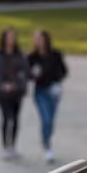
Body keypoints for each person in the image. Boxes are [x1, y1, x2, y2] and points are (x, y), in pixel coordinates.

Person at [0, 27, 29, 159]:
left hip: (16, 92)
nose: (11, 40)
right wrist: (0, 85)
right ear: (4, 39)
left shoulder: (20, 56)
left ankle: (13, 146)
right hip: (3, 93)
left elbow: (25, 72)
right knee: (6, 118)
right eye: (8, 37)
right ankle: (5, 146)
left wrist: (17, 85)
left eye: (13, 37)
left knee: (15, 118)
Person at [29, 29, 68, 163]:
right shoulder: (32, 57)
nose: (38, 41)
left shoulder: (55, 54)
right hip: (40, 92)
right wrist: (34, 74)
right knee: (46, 119)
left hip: (54, 91)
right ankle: (47, 147)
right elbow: (28, 74)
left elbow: (64, 71)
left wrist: (56, 80)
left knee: (50, 121)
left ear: (46, 39)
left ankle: (47, 137)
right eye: (35, 39)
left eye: (40, 38)